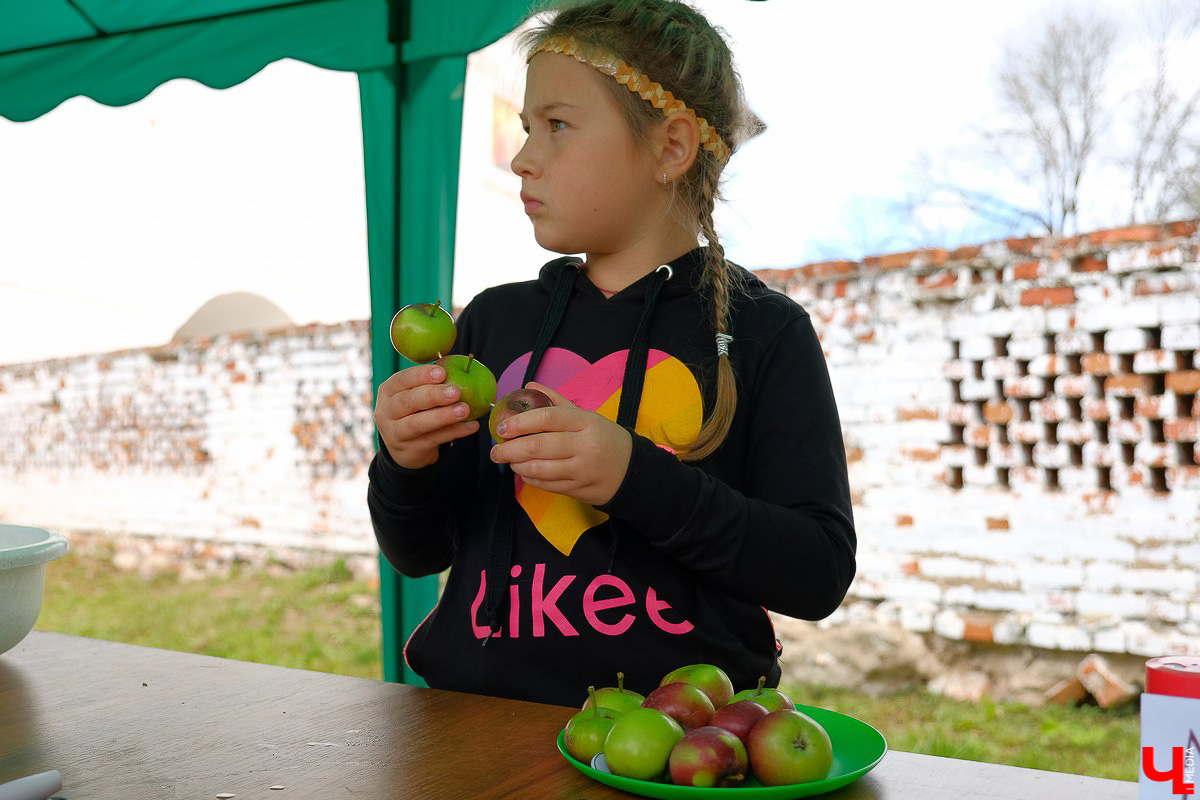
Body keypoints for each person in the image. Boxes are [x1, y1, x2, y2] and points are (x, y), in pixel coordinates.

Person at [368, 0, 855, 707]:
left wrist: (634, 476)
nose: (522, 157)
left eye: (557, 126)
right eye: (529, 127)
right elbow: (421, 554)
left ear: (670, 147)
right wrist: (404, 462)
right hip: (473, 725)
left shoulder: (764, 332)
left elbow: (817, 573)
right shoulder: (494, 322)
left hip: (682, 748)